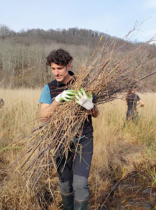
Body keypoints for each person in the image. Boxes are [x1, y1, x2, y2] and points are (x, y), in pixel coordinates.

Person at [39, 48, 99, 210]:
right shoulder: (49, 88)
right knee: (65, 183)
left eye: (60, 68)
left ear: (69, 65)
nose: (56, 73)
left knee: (80, 184)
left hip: (83, 139)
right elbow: (43, 117)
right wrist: (57, 101)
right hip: (60, 140)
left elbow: (95, 114)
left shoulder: (84, 84)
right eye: (53, 68)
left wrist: (89, 105)